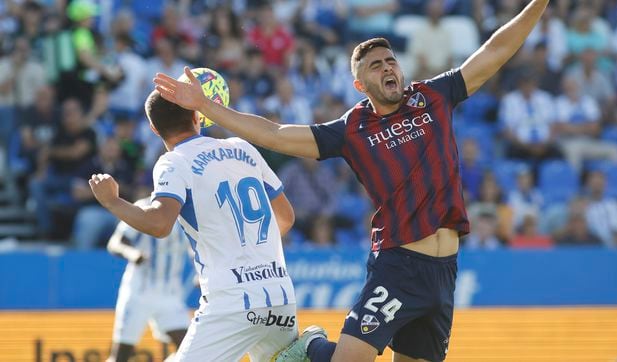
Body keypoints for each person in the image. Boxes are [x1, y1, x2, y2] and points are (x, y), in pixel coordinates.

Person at [153, 1, 550, 360]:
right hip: (399, 265)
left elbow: (496, 50)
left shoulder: (433, 96)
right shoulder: (352, 129)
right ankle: (310, 348)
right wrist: (206, 107)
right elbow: (274, 134)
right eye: (375, 66)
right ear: (360, 85)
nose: (387, 68)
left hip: (445, 272)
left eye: (390, 61)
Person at [88, 89, 298, 361]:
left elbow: (160, 224)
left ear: (154, 129)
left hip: (230, 301)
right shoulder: (242, 148)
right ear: (197, 117)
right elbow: (285, 217)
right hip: (280, 295)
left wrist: (112, 202)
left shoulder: (174, 162)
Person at [106, 197, 192, 362]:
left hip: (170, 294)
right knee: (121, 356)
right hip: (139, 291)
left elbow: (195, 249)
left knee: (190, 350)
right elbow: (115, 242)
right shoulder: (143, 207)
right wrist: (132, 253)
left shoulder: (187, 213)